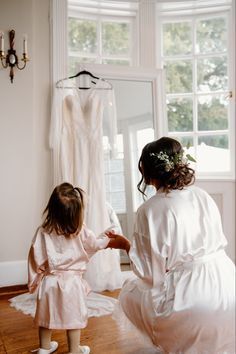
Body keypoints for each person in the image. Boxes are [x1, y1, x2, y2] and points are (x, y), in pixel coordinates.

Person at [106, 137, 235, 354]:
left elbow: (150, 275)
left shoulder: (149, 209)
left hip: (191, 293)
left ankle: (176, 341)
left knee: (129, 293)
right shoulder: (201, 194)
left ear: (147, 171)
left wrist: (126, 245)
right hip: (227, 281)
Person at [28, 182, 129, 354]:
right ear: (77, 213)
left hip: (49, 283)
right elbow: (95, 245)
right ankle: (74, 350)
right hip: (72, 284)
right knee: (73, 318)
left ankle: (44, 348)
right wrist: (107, 237)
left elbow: (35, 257)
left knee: (46, 317)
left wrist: (34, 281)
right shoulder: (81, 231)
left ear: (51, 209)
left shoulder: (43, 231)